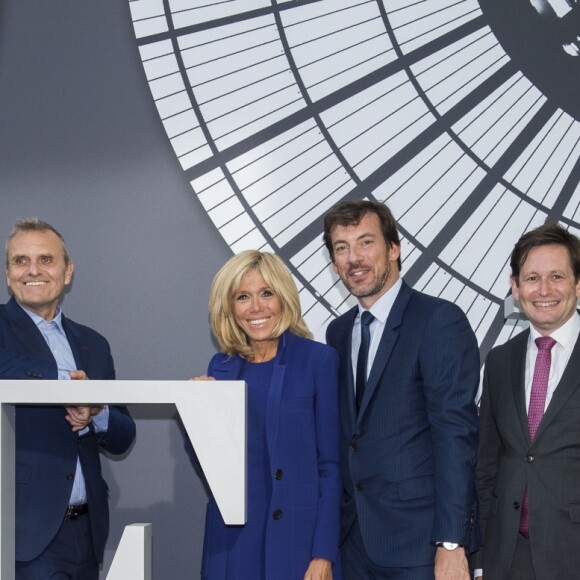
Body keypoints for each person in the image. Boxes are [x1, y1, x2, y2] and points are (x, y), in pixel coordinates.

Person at [323, 200, 480, 580]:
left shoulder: (438, 320)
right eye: (341, 248)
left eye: (365, 242)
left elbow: (454, 436)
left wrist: (451, 543)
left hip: (420, 546)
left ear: (394, 248)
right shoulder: (338, 332)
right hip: (353, 542)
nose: (353, 258)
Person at [0, 218, 136, 579]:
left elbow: (124, 434)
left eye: (45, 259)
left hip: (87, 532)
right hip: (23, 532)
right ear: (8, 272)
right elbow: (9, 368)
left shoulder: (93, 343)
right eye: (20, 261)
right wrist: (70, 387)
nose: (32, 270)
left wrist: (96, 411)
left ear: (67, 272)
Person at [193, 250, 341, 580]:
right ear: (229, 307)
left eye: (266, 293)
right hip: (232, 544)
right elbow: (210, 464)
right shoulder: (221, 367)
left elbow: (330, 467)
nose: (256, 307)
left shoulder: (318, 361)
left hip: (298, 545)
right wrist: (199, 410)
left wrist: (323, 553)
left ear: (283, 298)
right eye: (242, 297)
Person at [474, 221, 580, 579]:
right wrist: (481, 555)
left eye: (557, 277)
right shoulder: (500, 361)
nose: (544, 290)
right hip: (506, 557)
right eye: (532, 278)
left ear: (578, 284)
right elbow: (486, 463)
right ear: (515, 288)